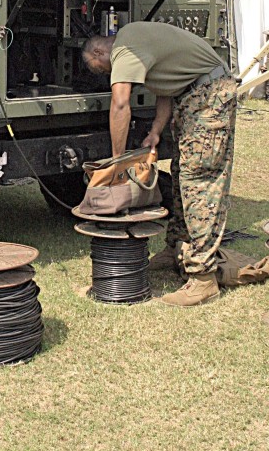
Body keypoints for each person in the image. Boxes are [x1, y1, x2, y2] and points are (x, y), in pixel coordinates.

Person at [81, 22, 238, 307]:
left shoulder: (125, 49)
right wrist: (156, 129)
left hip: (208, 97)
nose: (110, 75)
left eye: (104, 70)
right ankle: (177, 247)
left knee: (199, 182)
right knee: (181, 175)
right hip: (192, 96)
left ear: (99, 50)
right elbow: (167, 85)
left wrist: (118, 162)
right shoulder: (139, 43)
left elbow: (120, 104)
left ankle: (203, 279)